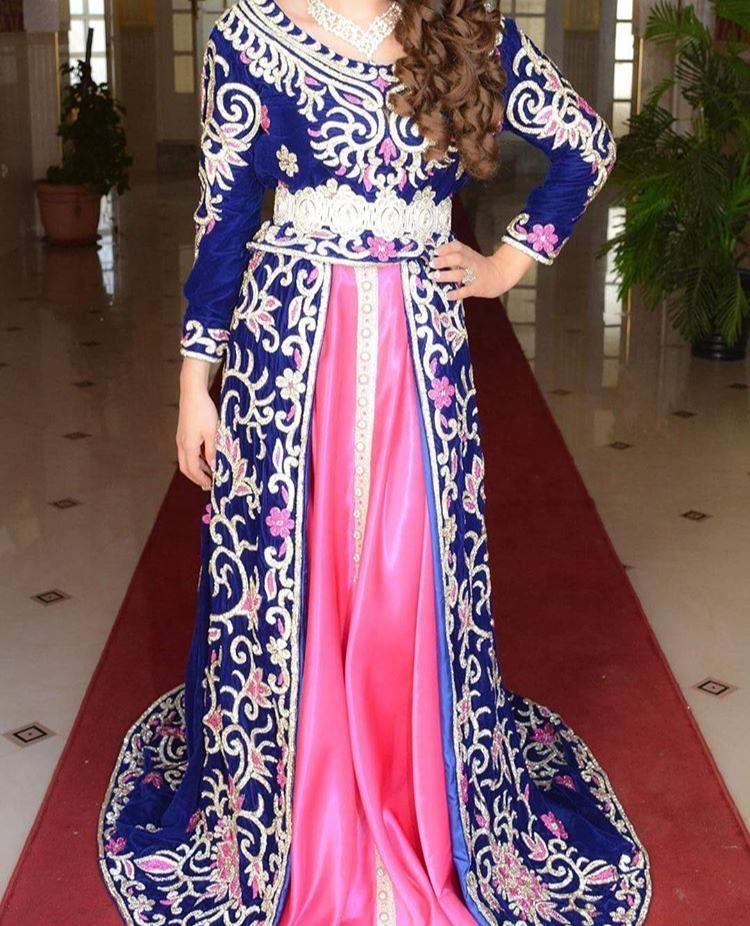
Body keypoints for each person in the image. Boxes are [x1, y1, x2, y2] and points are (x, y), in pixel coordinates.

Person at [99, 1, 651, 923]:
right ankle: (302, 818)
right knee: (293, 574)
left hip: (420, 351)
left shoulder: (466, 26)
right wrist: (196, 380)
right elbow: (223, 215)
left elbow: (586, 145)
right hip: (288, 354)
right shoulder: (251, 31)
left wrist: (508, 263)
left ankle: (413, 809)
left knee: (409, 574)